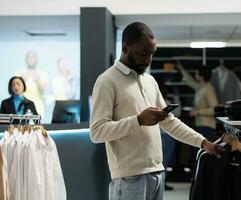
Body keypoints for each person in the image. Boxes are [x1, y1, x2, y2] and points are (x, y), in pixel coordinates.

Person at [90, 22, 223, 200]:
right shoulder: (107, 81)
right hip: (129, 178)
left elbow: (170, 122)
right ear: (125, 48)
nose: (148, 60)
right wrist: (138, 120)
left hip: (158, 173)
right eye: (144, 53)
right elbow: (97, 132)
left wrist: (203, 142)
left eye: (152, 54)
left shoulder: (150, 81)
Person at [177, 63, 218, 141]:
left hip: (207, 127)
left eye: (196, 73)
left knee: (204, 152)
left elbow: (215, 109)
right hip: (200, 125)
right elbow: (190, 81)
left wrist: (198, 111)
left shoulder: (209, 89)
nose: (195, 74)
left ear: (201, 77)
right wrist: (181, 69)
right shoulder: (201, 87)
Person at [17, 50, 48, 116]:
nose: (31, 59)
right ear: (26, 59)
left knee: (38, 126)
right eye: (29, 57)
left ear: (36, 59)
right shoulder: (19, 73)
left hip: (38, 108)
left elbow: (42, 91)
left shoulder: (42, 74)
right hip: (23, 108)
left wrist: (37, 81)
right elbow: (15, 93)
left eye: (33, 57)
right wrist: (21, 81)